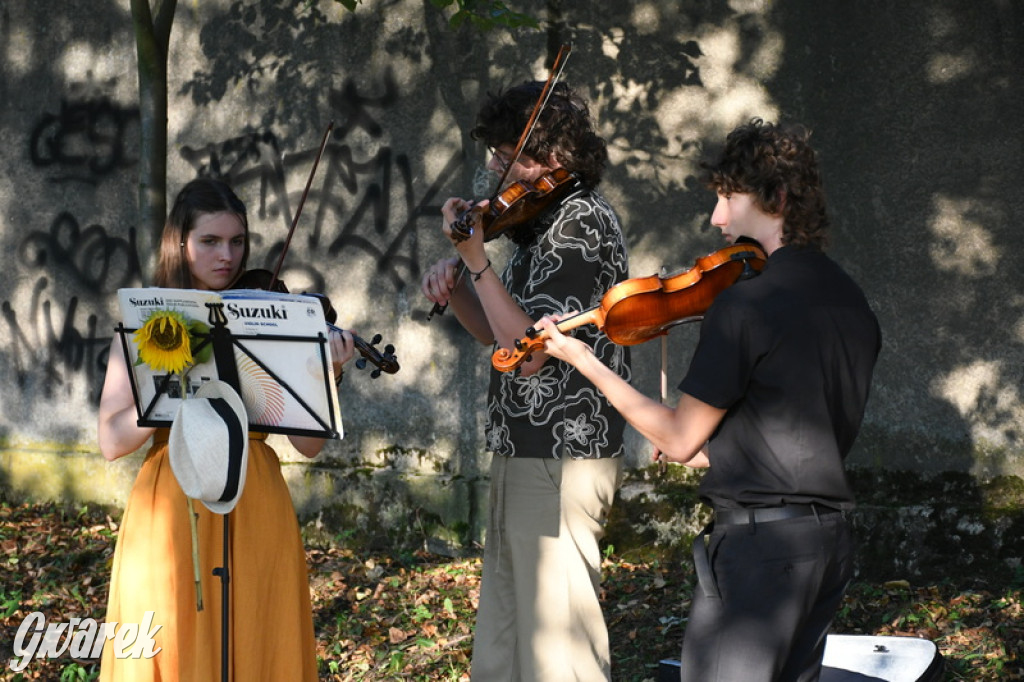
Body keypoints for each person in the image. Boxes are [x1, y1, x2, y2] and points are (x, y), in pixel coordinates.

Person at [535, 118, 882, 682]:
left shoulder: (746, 306)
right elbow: (776, 439)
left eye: (729, 196)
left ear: (779, 197)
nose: (718, 217)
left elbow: (678, 437)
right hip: (827, 544)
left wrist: (582, 359)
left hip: (761, 552)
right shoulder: (851, 301)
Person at [97, 177, 355, 681]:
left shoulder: (274, 316)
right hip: (172, 496)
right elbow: (111, 442)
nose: (227, 257)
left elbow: (309, 446)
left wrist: (330, 375)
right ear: (180, 243)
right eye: (210, 242)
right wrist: (167, 386)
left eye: (237, 242)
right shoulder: (147, 321)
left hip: (254, 500)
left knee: (257, 638)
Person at [421, 81, 631, 681]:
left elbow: (531, 353)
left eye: (509, 153)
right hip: (523, 445)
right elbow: (498, 337)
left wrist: (476, 261)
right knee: (509, 640)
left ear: (553, 157)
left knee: (561, 649)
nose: (493, 165)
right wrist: (462, 286)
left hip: (564, 455)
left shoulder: (580, 222)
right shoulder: (538, 224)